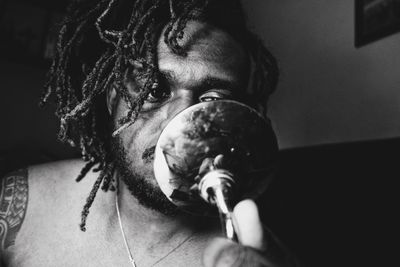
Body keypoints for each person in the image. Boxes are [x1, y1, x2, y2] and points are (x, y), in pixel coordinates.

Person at [0, 0, 295, 266]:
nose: (179, 119)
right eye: (154, 90)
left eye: (212, 100)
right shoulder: (19, 206)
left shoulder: (253, 257)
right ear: (113, 98)